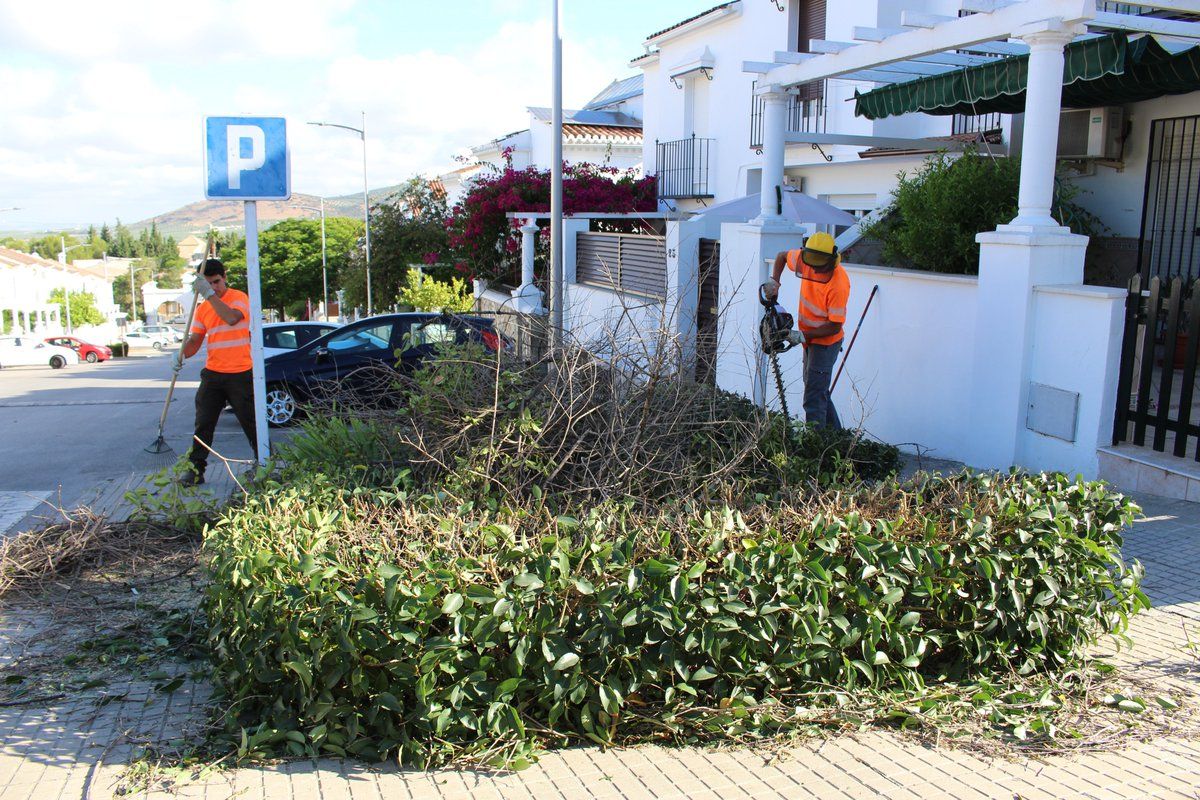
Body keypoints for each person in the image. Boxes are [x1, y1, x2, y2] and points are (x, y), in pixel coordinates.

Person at [174, 258, 256, 485]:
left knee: (251, 422)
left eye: (217, 282)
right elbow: (195, 341)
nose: (214, 287)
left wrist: (208, 294)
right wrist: (180, 355)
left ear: (225, 277)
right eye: (209, 284)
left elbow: (231, 318)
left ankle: (265, 464)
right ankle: (195, 470)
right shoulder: (201, 310)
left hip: (241, 372)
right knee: (204, 423)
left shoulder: (239, 298)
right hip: (213, 373)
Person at [762, 232, 850, 430]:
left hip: (826, 344)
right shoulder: (807, 260)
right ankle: (837, 439)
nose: (816, 270)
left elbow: (835, 325)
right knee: (817, 391)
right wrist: (774, 281)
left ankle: (815, 446)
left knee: (813, 397)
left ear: (830, 261)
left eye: (820, 267)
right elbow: (782, 256)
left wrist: (802, 335)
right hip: (808, 339)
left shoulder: (838, 284)